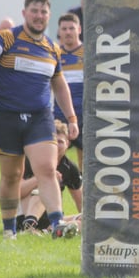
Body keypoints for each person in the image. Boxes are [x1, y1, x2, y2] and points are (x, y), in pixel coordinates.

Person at [0, 0, 79, 241]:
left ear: (48, 17)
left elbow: (59, 84)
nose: (39, 16)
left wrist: (72, 118)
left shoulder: (52, 48)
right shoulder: (7, 38)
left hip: (40, 117)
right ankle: (9, 229)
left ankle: (57, 223)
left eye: (43, 12)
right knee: (12, 175)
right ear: (24, 14)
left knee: (47, 168)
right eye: (34, 11)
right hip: (6, 116)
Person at [17, 120, 82, 234]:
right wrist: (41, 178)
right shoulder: (30, 160)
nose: (56, 146)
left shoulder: (70, 168)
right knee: (45, 187)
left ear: (68, 143)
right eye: (52, 141)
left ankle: (53, 230)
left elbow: (80, 202)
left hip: (52, 218)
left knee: (88, 220)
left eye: (60, 142)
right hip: (25, 214)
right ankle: (29, 225)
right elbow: (16, 192)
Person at [54, 13, 84, 166]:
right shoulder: (54, 54)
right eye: (64, 28)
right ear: (59, 31)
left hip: (84, 115)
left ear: (79, 29)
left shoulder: (89, 53)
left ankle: (83, 186)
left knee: (86, 156)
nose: (67, 32)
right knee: (54, 155)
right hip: (59, 115)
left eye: (71, 28)